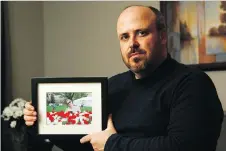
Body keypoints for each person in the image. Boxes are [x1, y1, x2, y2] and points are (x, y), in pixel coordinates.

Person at [23, 5, 224, 151]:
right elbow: (88, 143)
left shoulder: (192, 83)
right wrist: (43, 122)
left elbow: (182, 147)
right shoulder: (113, 85)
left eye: (141, 33)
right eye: (124, 37)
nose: (132, 44)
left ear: (162, 36)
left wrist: (112, 144)